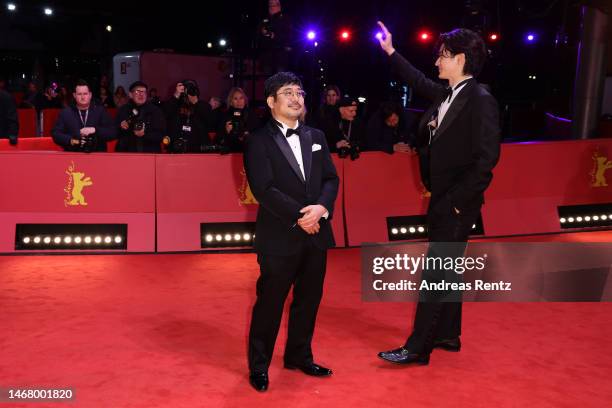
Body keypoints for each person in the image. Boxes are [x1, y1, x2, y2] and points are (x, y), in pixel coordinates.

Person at [375, 22, 501, 365]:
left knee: (435, 273)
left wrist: (459, 203)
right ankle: (448, 334)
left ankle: (417, 348)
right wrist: (390, 51)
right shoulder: (450, 94)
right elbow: (417, 79)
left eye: (442, 56)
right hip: (444, 197)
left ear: (460, 59)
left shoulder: (480, 98)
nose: (437, 62)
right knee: (449, 269)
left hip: (456, 203)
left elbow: (487, 159)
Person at [244, 72, 339, 392]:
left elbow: (330, 179)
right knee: (269, 303)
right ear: (272, 101)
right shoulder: (257, 140)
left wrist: (321, 209)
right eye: (288, 93)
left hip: (316, 233)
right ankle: (259, 366)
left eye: (300, 92)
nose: (297, 98)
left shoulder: (317, 136)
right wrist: (302, 215)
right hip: (279, 235)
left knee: (309, 301)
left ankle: (299, 355)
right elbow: (264, 189)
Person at [52, 80, 116, 152]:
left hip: (97, 156)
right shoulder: (66, 113)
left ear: (90, 95)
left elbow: (113, 132)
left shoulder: (100, 111)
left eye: (85, 94)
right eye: (79, 94)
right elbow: (56, 134)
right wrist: (73, 141)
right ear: (74, 95)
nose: (82, 97)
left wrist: (95, 130)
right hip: (73, 157)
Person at [115, 81, 166, 153]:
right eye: (137, 92)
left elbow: (161, 135)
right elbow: (113, 132)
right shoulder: (123, 110)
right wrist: (121, 126)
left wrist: (145, 134)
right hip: (127, 153)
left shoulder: (155, 111)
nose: (141, 94)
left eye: (144, 92)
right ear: (130, 94)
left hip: (150, 152)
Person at [164, 81, 212, 153]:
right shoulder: (175, 104)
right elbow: (165, 113)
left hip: (198, 149)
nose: (190, 91)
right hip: (177, 147)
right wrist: (176, 95)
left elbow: (210, 122)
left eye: (192, 89)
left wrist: (196, 102)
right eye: (187, 89)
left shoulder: (203, 106)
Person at [219, 87, 261, 152]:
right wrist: (226, 132)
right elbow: (219, 140)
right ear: (231, 102)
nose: (239, 101)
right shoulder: (225, 116)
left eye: (241, 98)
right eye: (235, 99)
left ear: (245, 100)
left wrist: (248, 135)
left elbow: (259, 135)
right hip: (231, 152)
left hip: (250, 151)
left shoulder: (251, 115)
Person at [257, 0, 293, 74]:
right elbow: (259, 33)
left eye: (273, 5)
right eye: (270, 5)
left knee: (280, 78)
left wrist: (274, 35)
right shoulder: (265, 19)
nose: (271, 7)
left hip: (281, 56)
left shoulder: (285, 18)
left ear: (279, 6)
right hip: (267, 55)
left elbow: (289, 36)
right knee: (268, 77)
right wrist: (263, 32)